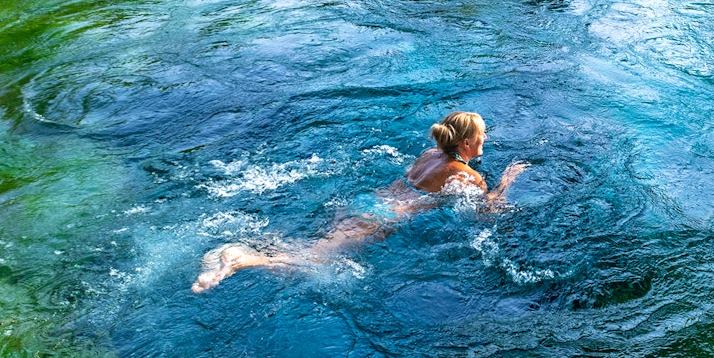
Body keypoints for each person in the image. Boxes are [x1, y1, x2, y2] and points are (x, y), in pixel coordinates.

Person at [191, 111, 529, 292]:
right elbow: (488, 213)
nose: (486, 138)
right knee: (317, 261)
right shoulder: (467, 174)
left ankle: (239, 251)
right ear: (469, 141)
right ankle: (239, 261)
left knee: (316, 245)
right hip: (385, 217)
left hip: (368, 202)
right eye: (483, 134)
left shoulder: (429, 154)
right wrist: (506, 182)